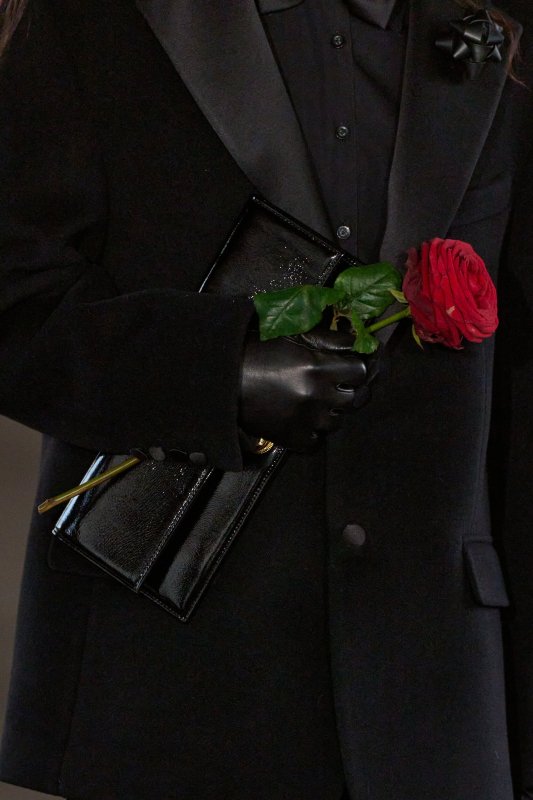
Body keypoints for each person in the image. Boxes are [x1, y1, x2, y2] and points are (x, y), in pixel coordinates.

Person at [0, 0, 532, 798]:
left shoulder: (502, 23)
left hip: (438, 698)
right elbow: (13, 291)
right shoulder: (94, 17)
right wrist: (216, 372)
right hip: (169, 683)